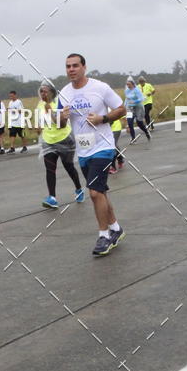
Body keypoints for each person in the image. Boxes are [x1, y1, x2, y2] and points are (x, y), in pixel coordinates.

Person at [59, 53, 127, 256]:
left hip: (103, 147)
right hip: (83, 149)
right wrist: (62, 118)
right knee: (101, 192)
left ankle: (104, 236)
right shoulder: (63, 93)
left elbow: (121, 109)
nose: (71, 69)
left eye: (75, 66)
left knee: (94, 193)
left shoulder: (100, 87)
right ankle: (115, 228)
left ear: (84, 67)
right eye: (68, 66)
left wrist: (102, 118)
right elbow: (60, 123)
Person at [35, 82, 84, 208]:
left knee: (69, 167)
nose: (43, 94)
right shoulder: (40, 105)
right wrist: (38, 127)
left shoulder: (59, 103)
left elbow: (61, 124)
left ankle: (79, 189)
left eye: (45, 91)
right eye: (41, 91)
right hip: (48, 141)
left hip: (64, 139)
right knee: (50, 169)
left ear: (52, 92)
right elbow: (39, 122)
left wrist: (50, 111)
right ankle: (52, 198)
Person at [125, 77, 151, 142]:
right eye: (127, 84)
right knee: (129, 122)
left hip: (138, 107)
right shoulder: (127, 91)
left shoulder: (136, 90)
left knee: (139, 123)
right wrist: (124, 106)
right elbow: (127, 99)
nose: (128, 86)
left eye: (129, 84)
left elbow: (141, 98)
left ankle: (146, 132)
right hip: (130, 108)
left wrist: (135, 101)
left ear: (133, 84)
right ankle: (133, 138)